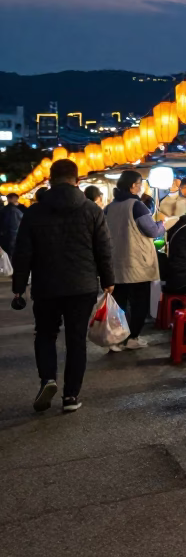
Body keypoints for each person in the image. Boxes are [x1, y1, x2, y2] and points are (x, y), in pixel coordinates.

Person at [11, 159, 114, 413]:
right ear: (77, 180)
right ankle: (70, 396)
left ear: (50, 179)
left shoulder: (34, 212)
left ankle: (48, 379)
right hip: (83, 285)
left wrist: (19, 285)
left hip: (46, 285)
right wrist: (109, 280)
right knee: (76, 340)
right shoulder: (91, 210)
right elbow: (104, 249)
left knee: (45, 334)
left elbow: (22, 251)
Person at [105, 170, 166, 351]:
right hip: (137, 263)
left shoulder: (109, 207)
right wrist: (162, 224)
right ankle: (132, 338)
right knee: (139, 302)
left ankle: (116, 339)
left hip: (116, 262)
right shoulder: (137, 206)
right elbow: (152, 231)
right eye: (140, 184)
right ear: (133, 185)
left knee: (119, 303)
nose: (141, 187)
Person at [1, 192, 23, 256]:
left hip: (5, 235)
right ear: (9, 199)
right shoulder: (15, 210)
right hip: (13, 235)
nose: (16, 200)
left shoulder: (4, 209)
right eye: (15, 198)